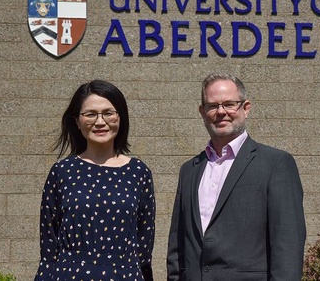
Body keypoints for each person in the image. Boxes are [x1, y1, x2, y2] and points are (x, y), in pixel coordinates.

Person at [167, 73, 306, 280]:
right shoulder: (190, 170)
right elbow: (177, 247)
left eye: (229, 104)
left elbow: (287, 246)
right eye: (212, 106)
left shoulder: (275, 164)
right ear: (202, 112)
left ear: (246, 108)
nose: (221, 112)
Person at [35, 80, 155, 281]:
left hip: (124, 275)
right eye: (90, 114)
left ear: (120, 117)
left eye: (108, 113)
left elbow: (144, 243)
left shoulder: (138, 172)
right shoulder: (62, 171)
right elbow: (49, 244)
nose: (100, 122)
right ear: (77, 121)